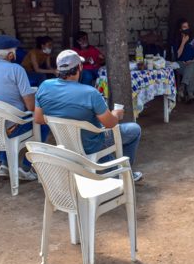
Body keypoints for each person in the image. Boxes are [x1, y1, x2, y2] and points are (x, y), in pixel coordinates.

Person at [34, 50, 143, 182]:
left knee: (94, 130)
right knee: (133, 129)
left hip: (65, 144)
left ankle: (114, 171)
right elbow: (110, 124)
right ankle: (125, 174)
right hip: (92, 144)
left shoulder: (44, 87)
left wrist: (63, 120)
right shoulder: (90, 93)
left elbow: (38, 119)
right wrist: (116, 115)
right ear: (80, 67)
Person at [0, 35, 49, 181]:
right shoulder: (16, 69)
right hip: (10, 129)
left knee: (4, 116)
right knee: (42, 122)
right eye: (14, 52)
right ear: (10, 55)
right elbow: (31, 106)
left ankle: (5, 164)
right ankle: (26, 168)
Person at [171, 18, 194, 103]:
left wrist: (193, 60)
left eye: (188, 27)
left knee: (191, 65)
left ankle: (182, 87)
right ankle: (190, 95)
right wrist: (183, 42)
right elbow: (177, 56)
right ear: (180, 29)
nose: (187, 29)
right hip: (181, 64)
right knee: (191, 70)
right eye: (184, 27)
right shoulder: (176, 40)